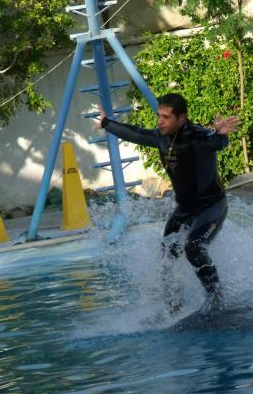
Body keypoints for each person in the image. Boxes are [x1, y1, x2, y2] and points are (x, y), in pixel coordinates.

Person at [97, 93, 240, 311]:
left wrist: (221, 135)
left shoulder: (198, 137)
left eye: (165, 117)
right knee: (166, 254)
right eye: (158, 116)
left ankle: (217, 301)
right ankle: (173, 306)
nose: (160, 121)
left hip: (211, 205)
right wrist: (107, 123)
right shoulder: (160, 137)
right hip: (185, 209)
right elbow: (134, 133)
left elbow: (216, 142)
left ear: (181, 118)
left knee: (194, 248)